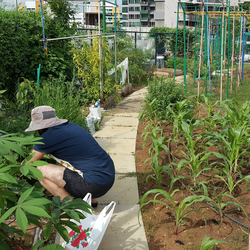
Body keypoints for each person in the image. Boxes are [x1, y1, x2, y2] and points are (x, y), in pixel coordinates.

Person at [25, 106, 115, 207]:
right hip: (109, 179)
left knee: (40, 170)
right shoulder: (71, 126)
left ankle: (70, 207)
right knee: (72, 163)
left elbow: (27, 163)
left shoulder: (47, 137)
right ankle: (91, 200)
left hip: (93, 185)